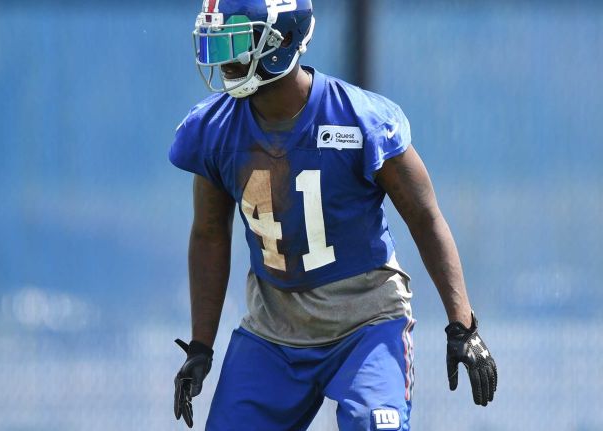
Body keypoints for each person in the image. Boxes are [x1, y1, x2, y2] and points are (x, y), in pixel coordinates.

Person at [170, 0, 498, 429]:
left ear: (281, 40)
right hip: (273, 330)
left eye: (233, 42)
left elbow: (425, 217)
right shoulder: (214, 129)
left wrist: (463, 325)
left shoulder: (360, 120)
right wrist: (201, 345)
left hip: (364, 322)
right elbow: (210, 233)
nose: (223, 60)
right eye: (215, 44)